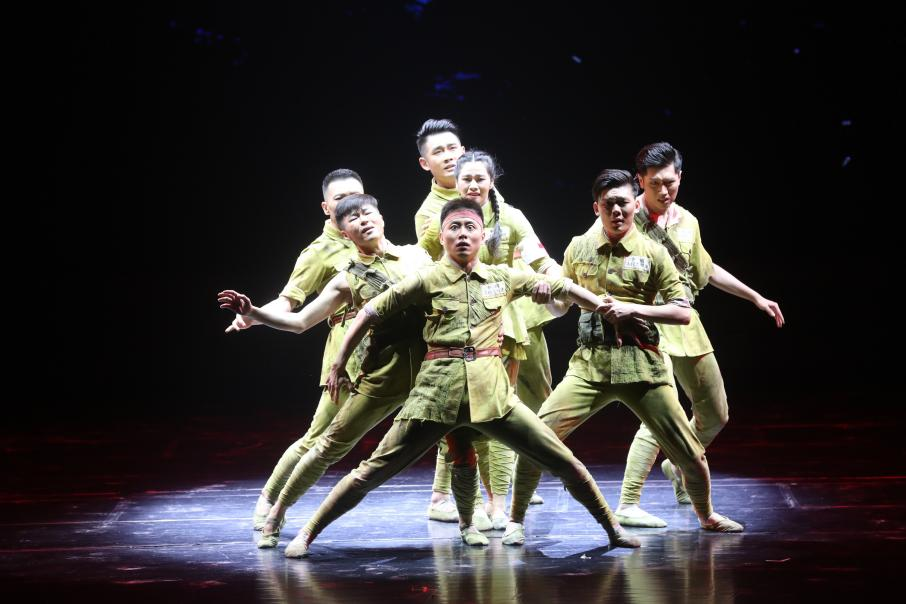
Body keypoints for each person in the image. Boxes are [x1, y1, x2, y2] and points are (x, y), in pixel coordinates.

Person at [282, 197, 642, 558]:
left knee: (565, 462)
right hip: (435, 397)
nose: (463, 234)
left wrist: (606, 309)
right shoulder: (426, 279)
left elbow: (561, 287)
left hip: (493, 397)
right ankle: (308, 532)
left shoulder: (500, 277)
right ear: (442, 237)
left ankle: (613, 529)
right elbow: (370, 313)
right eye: (454, 227)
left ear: (483, 236)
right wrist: (338, 362)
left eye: (471, 227)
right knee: (371, 472)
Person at [219, 194, 500, 553]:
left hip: (432, 371)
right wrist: (255, 313)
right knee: (328, 445)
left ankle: (467, 521)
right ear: (343, 232)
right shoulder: (346, 278)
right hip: (385, 373)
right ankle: (277, 513)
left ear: (381, 217)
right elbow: (300, 321)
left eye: (367, 213)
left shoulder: (417, 257)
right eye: (352, 218)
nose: (363, 220)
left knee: (460, 442)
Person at [506, 169, 744, 547]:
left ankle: (706, 515)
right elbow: (561, 305)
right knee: (537, 438)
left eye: (623, 203)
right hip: (591, 366)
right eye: (609, 204)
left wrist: (634, 309)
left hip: (642, 366)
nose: (617, 211)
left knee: (689, 453)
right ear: (596, 208)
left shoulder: (653, 253)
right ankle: (515, 521)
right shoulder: (579, 247)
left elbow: (682, 311)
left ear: (635, 204)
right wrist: (545, 297)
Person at [614, 143, 784, 528]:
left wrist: (755, 296)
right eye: (654, 184)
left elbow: (706, 269)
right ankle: (628, 502)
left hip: (684, 321)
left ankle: (679, 464)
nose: (663, 191)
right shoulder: (624, 216)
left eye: (670, 182)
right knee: (659, 416)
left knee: (715, 412)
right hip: (644, 324)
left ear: (679, 177)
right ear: (639, 180)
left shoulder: (687, 221)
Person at [414, 120, 551, 526]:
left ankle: (502, 493)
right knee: (461, 412)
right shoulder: (435, 215)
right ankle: (456, 496)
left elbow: (539, 257)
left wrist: (560, 285)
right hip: (460, 325)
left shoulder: (505, 211)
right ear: (426, 163)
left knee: (509, 408)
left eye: (453, 148)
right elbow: (426, 265)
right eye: (439, 152)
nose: (472, 182)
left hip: (510, 320)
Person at [225, 169, 366, 530]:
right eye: (340, 198)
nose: (350, 203)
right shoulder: (319, 252)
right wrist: (254, 316)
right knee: (320, 438)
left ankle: (448, 498)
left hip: (387, 344)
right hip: (348, 351)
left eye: (356, 195)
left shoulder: (371, 235)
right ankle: (270, 499)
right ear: (326, 208)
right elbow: (289, 303)